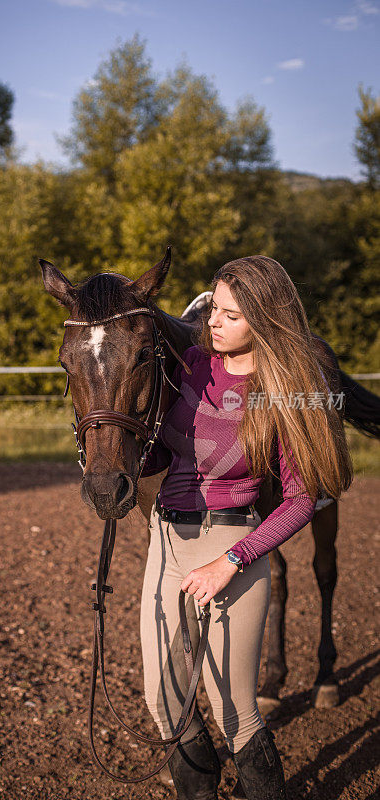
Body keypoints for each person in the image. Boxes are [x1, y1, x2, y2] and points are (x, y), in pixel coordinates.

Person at [139, 255, 353, 800]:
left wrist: (230, 561)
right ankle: (199, 789)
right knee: (162, 699)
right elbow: (163, 450)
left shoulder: (283, 391)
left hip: (233, 544)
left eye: (230, 315)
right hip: (166, 541)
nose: (213, 322)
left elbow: (303, 500)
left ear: (262, 319)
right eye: (214, 308)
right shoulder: (188, 364)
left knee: (233, 709)